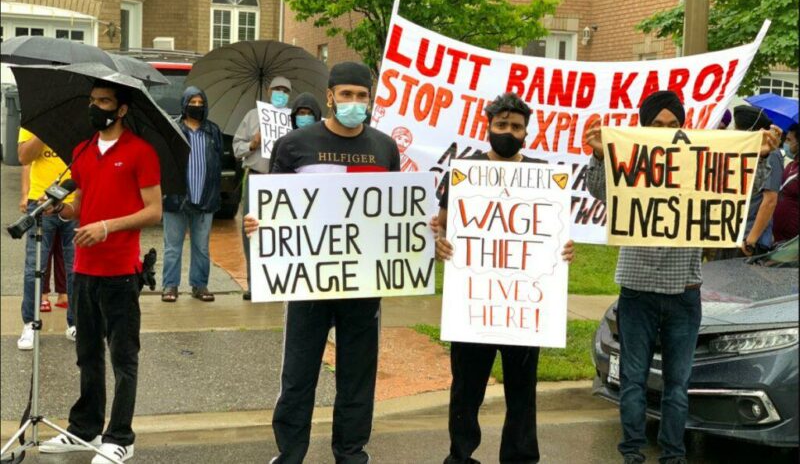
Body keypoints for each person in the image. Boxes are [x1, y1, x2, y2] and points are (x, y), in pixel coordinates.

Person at [583, 90, 780, 464]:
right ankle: (632, 454)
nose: (666, 131)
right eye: (657, 126)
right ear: (643, 129)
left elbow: (740, 191)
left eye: (674, 125)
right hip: (637, 288)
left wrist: (762, 157)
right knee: (634, 379)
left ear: (684, 127)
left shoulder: (695, 164)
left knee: (677, 384)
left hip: (685, 290)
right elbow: (600, 191)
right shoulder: (632, 162)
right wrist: (597, 154)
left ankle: (673, 456)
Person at [244, 61, 400, 463]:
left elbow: (394, 213)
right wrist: (258, 224)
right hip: (307, 279)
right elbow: (273, 207)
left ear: (371, 99)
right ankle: (290, 453)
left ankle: (351, 453)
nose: (353, 102)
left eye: (361, 96)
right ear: (330, 96)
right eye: (345, 95)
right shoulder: (296, 145)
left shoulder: (385, 147)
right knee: (298, 374)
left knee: (358, 377)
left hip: (364, 282)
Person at [431, 92, 574, 464]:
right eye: (501, 125)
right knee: (466, 389)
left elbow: (554, 233)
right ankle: (460, 456)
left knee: (522, 390)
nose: (508, 132)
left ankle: (520, 456)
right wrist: (440, 243)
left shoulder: (544, 175)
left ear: (527, 133)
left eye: (516, 127)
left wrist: (565, 250)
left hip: (525, 304)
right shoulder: (464, 171)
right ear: (488, 126)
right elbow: (443, 225)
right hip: (475, 301)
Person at [39, 79, 162, 464]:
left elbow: (154, 210)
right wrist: (62, 211)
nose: (96, 107)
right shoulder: (82, 151)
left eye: (104, 101)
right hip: (84, 269)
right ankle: (84, 427)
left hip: (121, 271)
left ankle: (120, 437)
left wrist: (108, 226)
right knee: (86, 353)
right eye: (92, 101)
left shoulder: (141, 152)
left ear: (121, 109)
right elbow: (82, 206)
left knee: (123, 357)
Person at [161, 86, 223, 303]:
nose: (196, 107)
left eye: (200, 103)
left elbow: (218, 164)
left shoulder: (213, 131)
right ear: (184, 104)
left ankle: (200, 285)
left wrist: (215, 194)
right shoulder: (173, 128)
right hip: (176, 197)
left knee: (202, 247)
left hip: (205, 198)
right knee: (172, 246)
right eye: (192, 103)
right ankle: (170, 286)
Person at [233, 76, 292, 300]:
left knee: (281, 232)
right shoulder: (252, 116)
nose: (280, 93)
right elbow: (237, 147)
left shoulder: (292, 119)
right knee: (252, 230)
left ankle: (278, 281)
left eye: (285, 90)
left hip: (283, 182)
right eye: (276, 89)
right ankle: (254, 283)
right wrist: (253, 144)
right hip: (257, 179)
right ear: (268, 91)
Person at [17, 128, 77, 349]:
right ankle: (30, 324)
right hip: (41, 202)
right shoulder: (33, 122)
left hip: (75, 202)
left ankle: (76, 322)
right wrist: (43, 133)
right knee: (35, 265)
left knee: (76, 266)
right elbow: (24, 157)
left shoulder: (80, 121)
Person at [718, 105, 783, 258]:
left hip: (749, 240)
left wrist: (750, 241)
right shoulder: (744, 153)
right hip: (732, 234)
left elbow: (770, 200)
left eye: (738, 129)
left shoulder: (771, 155)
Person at [20, 164, 70, 312]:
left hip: (70, 201)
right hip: (41, 200)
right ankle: (43, 294)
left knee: (65, 253)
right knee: (41, 254)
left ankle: (64, 293)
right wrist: (25, 194)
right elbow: (26, 163)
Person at [267, 91, 323, 174]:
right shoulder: (282, 143)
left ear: (316, 116)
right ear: (294, 116)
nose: (306, 117)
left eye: (310, 113)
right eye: (302, 113)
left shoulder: (324, 143)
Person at [773, 123, 799, 243]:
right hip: (777, 234)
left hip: (791, 237)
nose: (786, 144)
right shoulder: (790, 165)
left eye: (789, 140)